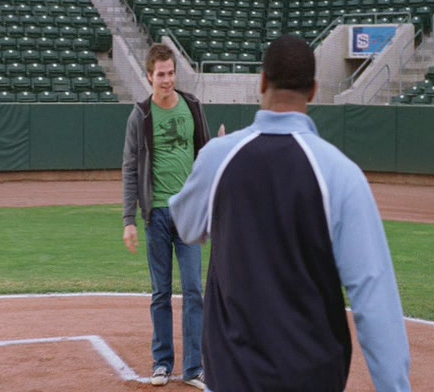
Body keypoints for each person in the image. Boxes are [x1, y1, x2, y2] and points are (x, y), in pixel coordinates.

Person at [169, 35, 411, 392]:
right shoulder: (341, 173)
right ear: (313, 91)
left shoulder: (218, 158)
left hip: (233, 373)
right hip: (312, 374)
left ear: (262, 81)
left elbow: (187, 227)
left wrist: (208, 164)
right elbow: (374, 299)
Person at [122, 43, 210, 389]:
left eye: (171, 73)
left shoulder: (193, 107)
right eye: (161, 74)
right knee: (161, 293)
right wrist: (129, 220)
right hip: (156, 213)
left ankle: (193, 368)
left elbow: (204, 156)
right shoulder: (140, 116)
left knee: (194, 291)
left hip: (189, 214)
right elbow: (131, 168)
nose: (167, 80)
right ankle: (162, 363)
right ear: (149, 76)